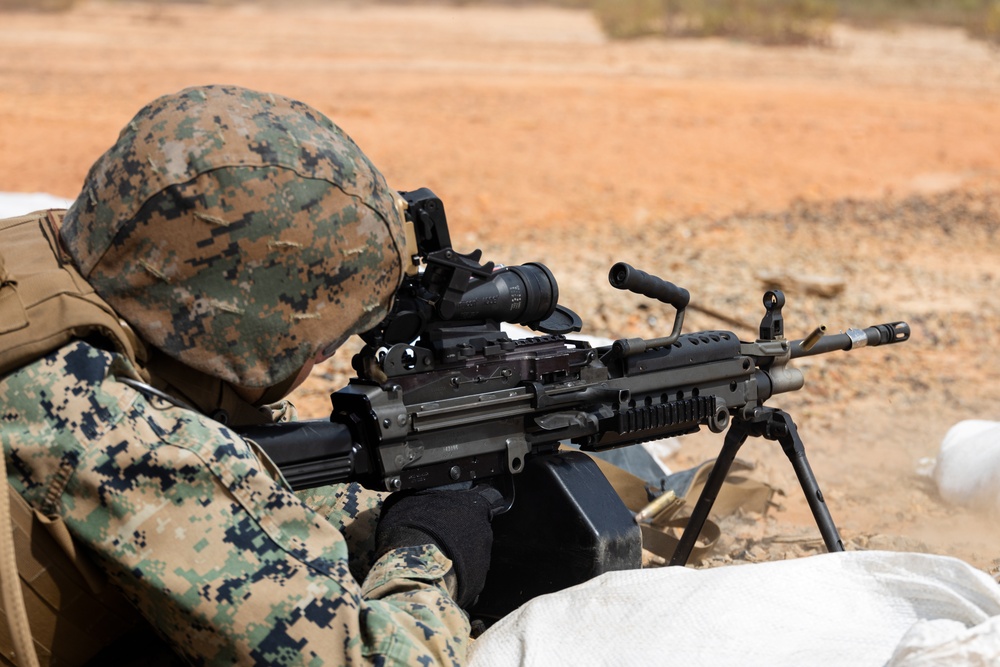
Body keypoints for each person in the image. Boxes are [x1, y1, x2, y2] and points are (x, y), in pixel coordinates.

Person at [0, 84, 495, 666]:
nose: (323, 355)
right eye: (323, 339)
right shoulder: (126, 436)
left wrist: (376, 504)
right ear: (251, 326)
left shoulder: (57, 257)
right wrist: (429, 546)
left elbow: (240, 460)